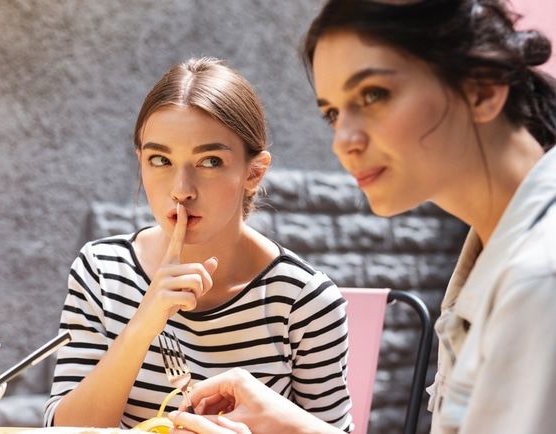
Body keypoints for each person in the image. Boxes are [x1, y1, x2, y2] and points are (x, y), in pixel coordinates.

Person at [169, 1, 556, 433]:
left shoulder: (538, 278)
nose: (343, 141)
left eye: (373, 94)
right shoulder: (498, 251)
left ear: (482, 88)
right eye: (333, 113)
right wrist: (290, 425)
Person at [42, 57, 353, 431]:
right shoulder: (102, 270)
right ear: (140, 160)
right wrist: (143, 323)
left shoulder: (304, 300)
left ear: (254, 172)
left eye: (209, 161)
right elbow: (64, 430)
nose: (181, 190)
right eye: (160, 159)